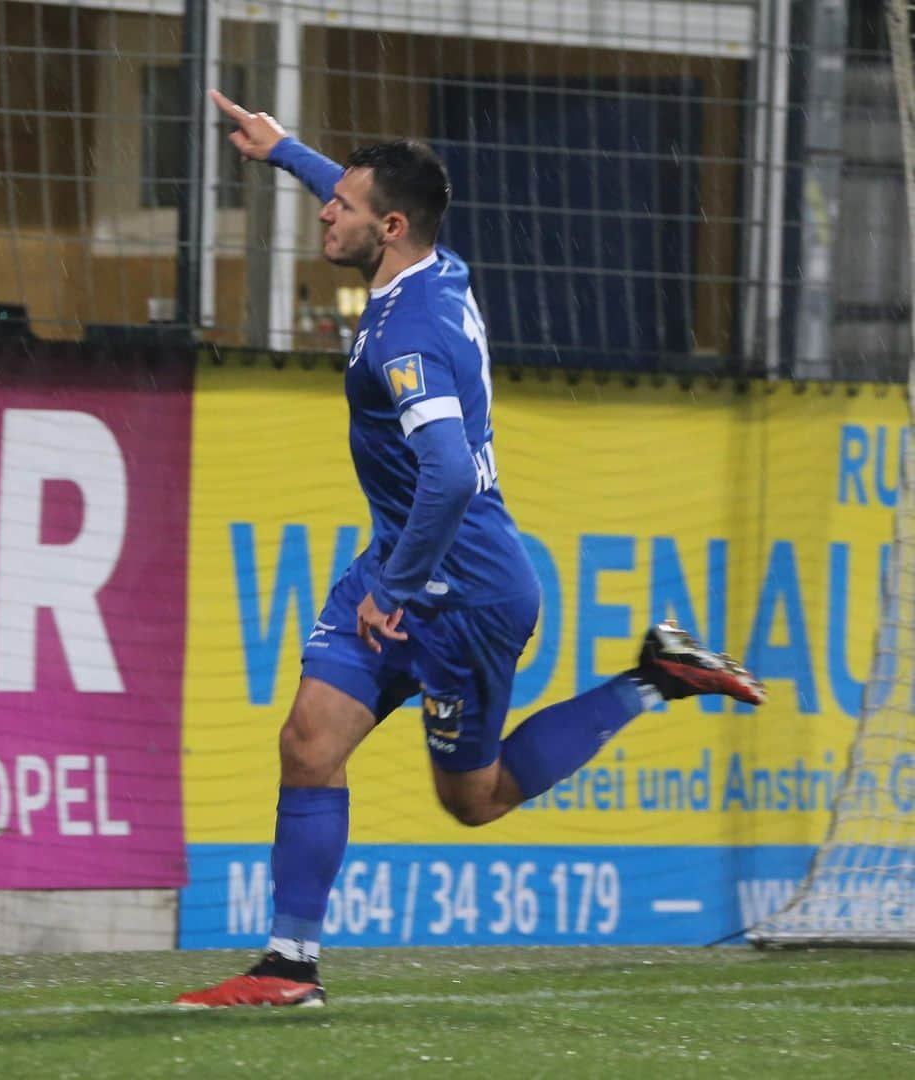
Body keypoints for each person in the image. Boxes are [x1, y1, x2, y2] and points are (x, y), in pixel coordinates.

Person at [174, 91, 766, 1010]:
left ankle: (653, 678)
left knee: (475, 799)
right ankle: (289, 966)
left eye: (345, 205)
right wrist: (287, 151)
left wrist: (395, 588)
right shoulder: (429, 267)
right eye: (333, 197)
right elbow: (367, 198)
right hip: (407, 563)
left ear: (392, 226)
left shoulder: (408, 333)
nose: (329, 209)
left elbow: (448, 474)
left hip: (466, 593)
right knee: (308, 742)